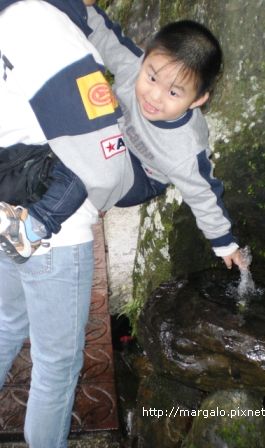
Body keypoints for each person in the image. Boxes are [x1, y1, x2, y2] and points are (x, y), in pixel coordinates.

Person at [0, 4, 245, 270]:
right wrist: (83, 10)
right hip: (111, 135)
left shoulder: (185, 149)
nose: (154, 96)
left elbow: (203, 193)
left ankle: (35, 227)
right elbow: (106, 37)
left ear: (198, 99)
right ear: (145, 60)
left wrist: (224, 243)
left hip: (139, 175)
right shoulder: (133, 65)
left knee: (83, 168)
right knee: (61, 140)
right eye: (151, 78)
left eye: (173, 93)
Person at [0, 1, 134, 447]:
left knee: (5, 325)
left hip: (5, 210)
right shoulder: (42, 22)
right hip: (51, 227)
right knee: (56, 366)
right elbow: (103, 161)